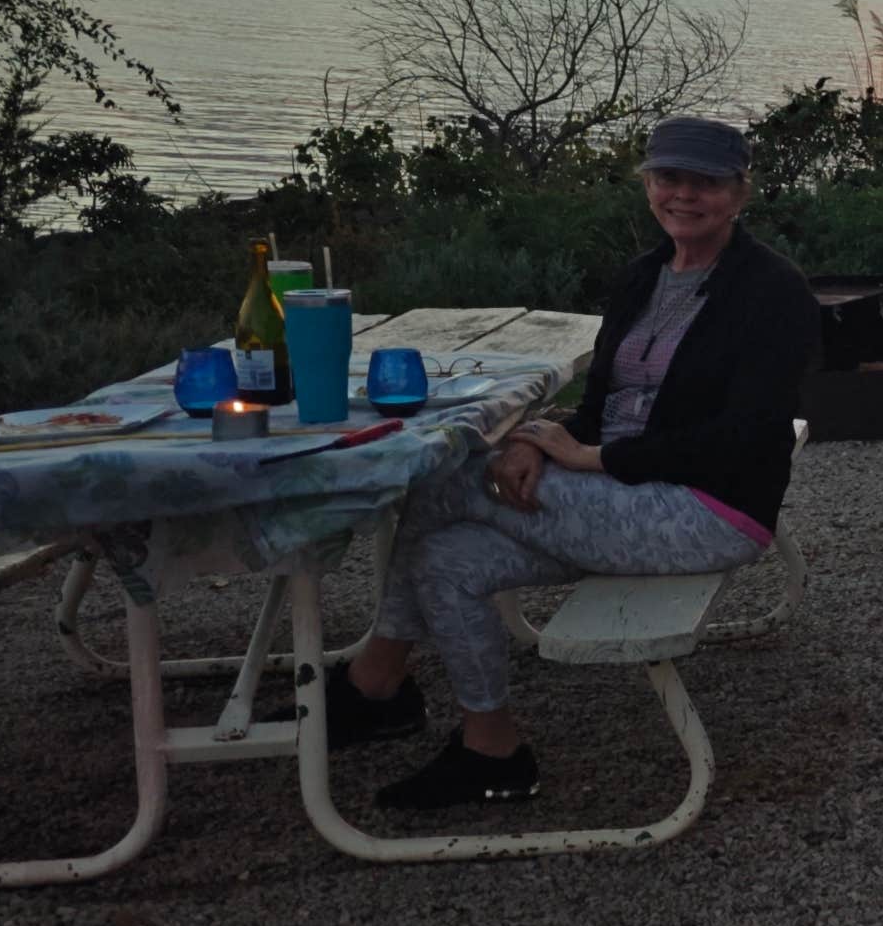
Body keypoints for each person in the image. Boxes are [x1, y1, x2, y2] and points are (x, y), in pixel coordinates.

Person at [334, 116, 820, 809]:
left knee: (445, 476)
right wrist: (535, 440)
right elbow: (599, 400)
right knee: (447, 557)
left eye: (705, 182)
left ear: (740, 193)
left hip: (705, 509)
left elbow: (744, 435)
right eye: (667, 178)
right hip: (614, 502)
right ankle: (491, 752)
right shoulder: (644, 276)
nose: (683, 195)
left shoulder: (771, 291)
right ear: (648, 184)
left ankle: (372, 685)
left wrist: (594, 458)